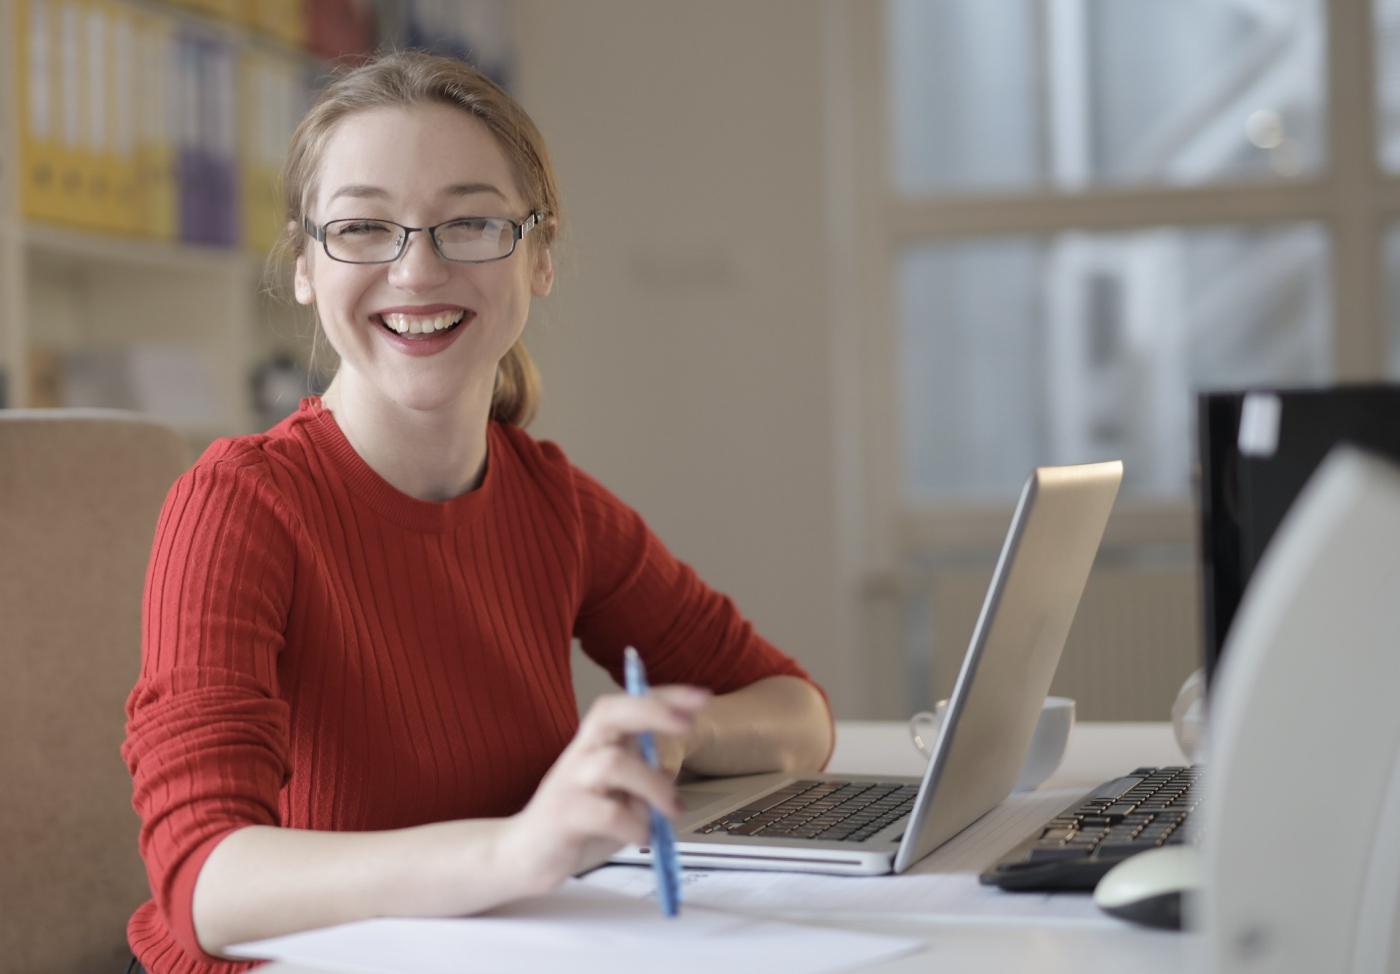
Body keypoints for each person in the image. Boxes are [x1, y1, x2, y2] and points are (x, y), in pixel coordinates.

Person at [121, 51, 834, 974]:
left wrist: (674, 732)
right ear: (304, 266)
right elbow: (204, 886)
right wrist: (517, 851)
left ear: (538, 258)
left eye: (470, 223)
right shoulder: (239, 505)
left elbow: (799, 716)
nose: (416, 269)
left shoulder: (552, 502)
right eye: (364, 227)